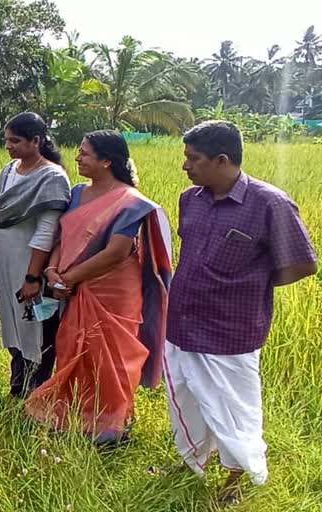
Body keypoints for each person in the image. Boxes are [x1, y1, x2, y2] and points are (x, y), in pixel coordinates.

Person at [164, 121, 317, 504]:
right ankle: (192, 460)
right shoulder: (190, 199)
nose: (186, 166)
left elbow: (301, 264)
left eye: (193, 159)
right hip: (182, 319)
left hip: (230, 327)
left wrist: (247, 284)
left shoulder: (270, 203)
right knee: (185, 397)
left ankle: (234, 479)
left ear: (221, 160)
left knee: (234, 408)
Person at [25, 130, 172, 445]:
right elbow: (62, 237)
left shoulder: (131, 203)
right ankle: (77, 415)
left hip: (114, 293)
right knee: (74, 348)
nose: (77, 157)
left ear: (107, 160)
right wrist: (52, 271)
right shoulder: (77, 193)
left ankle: (112, 425)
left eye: (85, 153)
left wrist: (70, 278)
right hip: (72, 287)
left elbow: (117, 251)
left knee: (111, 357)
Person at [0, 112, 70, 397]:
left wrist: (33, 277)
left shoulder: (51, 177)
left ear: (36, 141)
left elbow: (46, 231)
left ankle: (38, 392)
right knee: (12, 322)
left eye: (15, 140)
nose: (8, 146)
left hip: (32, 265)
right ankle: (18, 386)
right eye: (6, 140)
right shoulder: (9, 170)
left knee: (38, 325)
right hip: (4, 261)